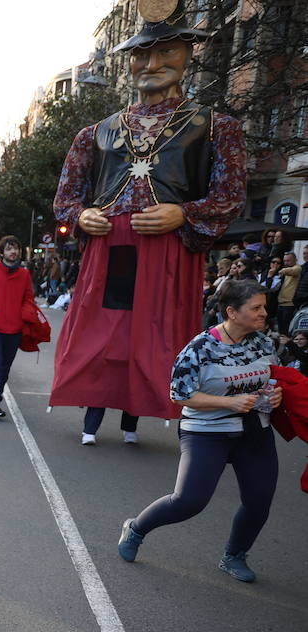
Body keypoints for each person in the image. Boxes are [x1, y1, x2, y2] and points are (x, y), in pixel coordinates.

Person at [51, 2, 246, 443]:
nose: (151, 64)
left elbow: (230, 196)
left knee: (153, 336)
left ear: (188, 56)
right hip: (110, 248)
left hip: (167, 249)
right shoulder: (95, 132)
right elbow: (66, 198)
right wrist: (82, 216)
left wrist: (185, 212)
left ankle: (136, 416)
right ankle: (94, 416)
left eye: (167, 53)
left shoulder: (216, 127)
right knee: (103, 335)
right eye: (142, 55)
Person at [117, 280, 282, 583]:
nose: (264, 313)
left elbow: (274, 378)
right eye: (256, 308)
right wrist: (228, 402)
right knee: (189, 501)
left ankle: (234, 555)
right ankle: (137, 528)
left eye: (264, 307)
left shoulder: (263, 342)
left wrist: (276, 395)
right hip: (206, 430)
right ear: (231, 312)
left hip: (254, 430)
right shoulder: (200, 348)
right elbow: (179, 394)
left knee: (259, 500)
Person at [0, 236, 41, 421]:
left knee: (5, 367)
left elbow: (28, 298)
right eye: (10, 248)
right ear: (2, 252)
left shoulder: (24, 274)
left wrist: (24, 315)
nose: (14, 252)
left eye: (16, 248)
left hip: (15, 329)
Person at [275, 251, 300, 337]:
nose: (286, 263)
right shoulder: (286, 271)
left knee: (286, 331)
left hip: (289, 305)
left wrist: (282, 271)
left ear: (295, 260)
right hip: (281, 304)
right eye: (284, 261)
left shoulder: (298, 268)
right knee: (281, 331)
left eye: (288, 260)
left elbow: (293, 270)